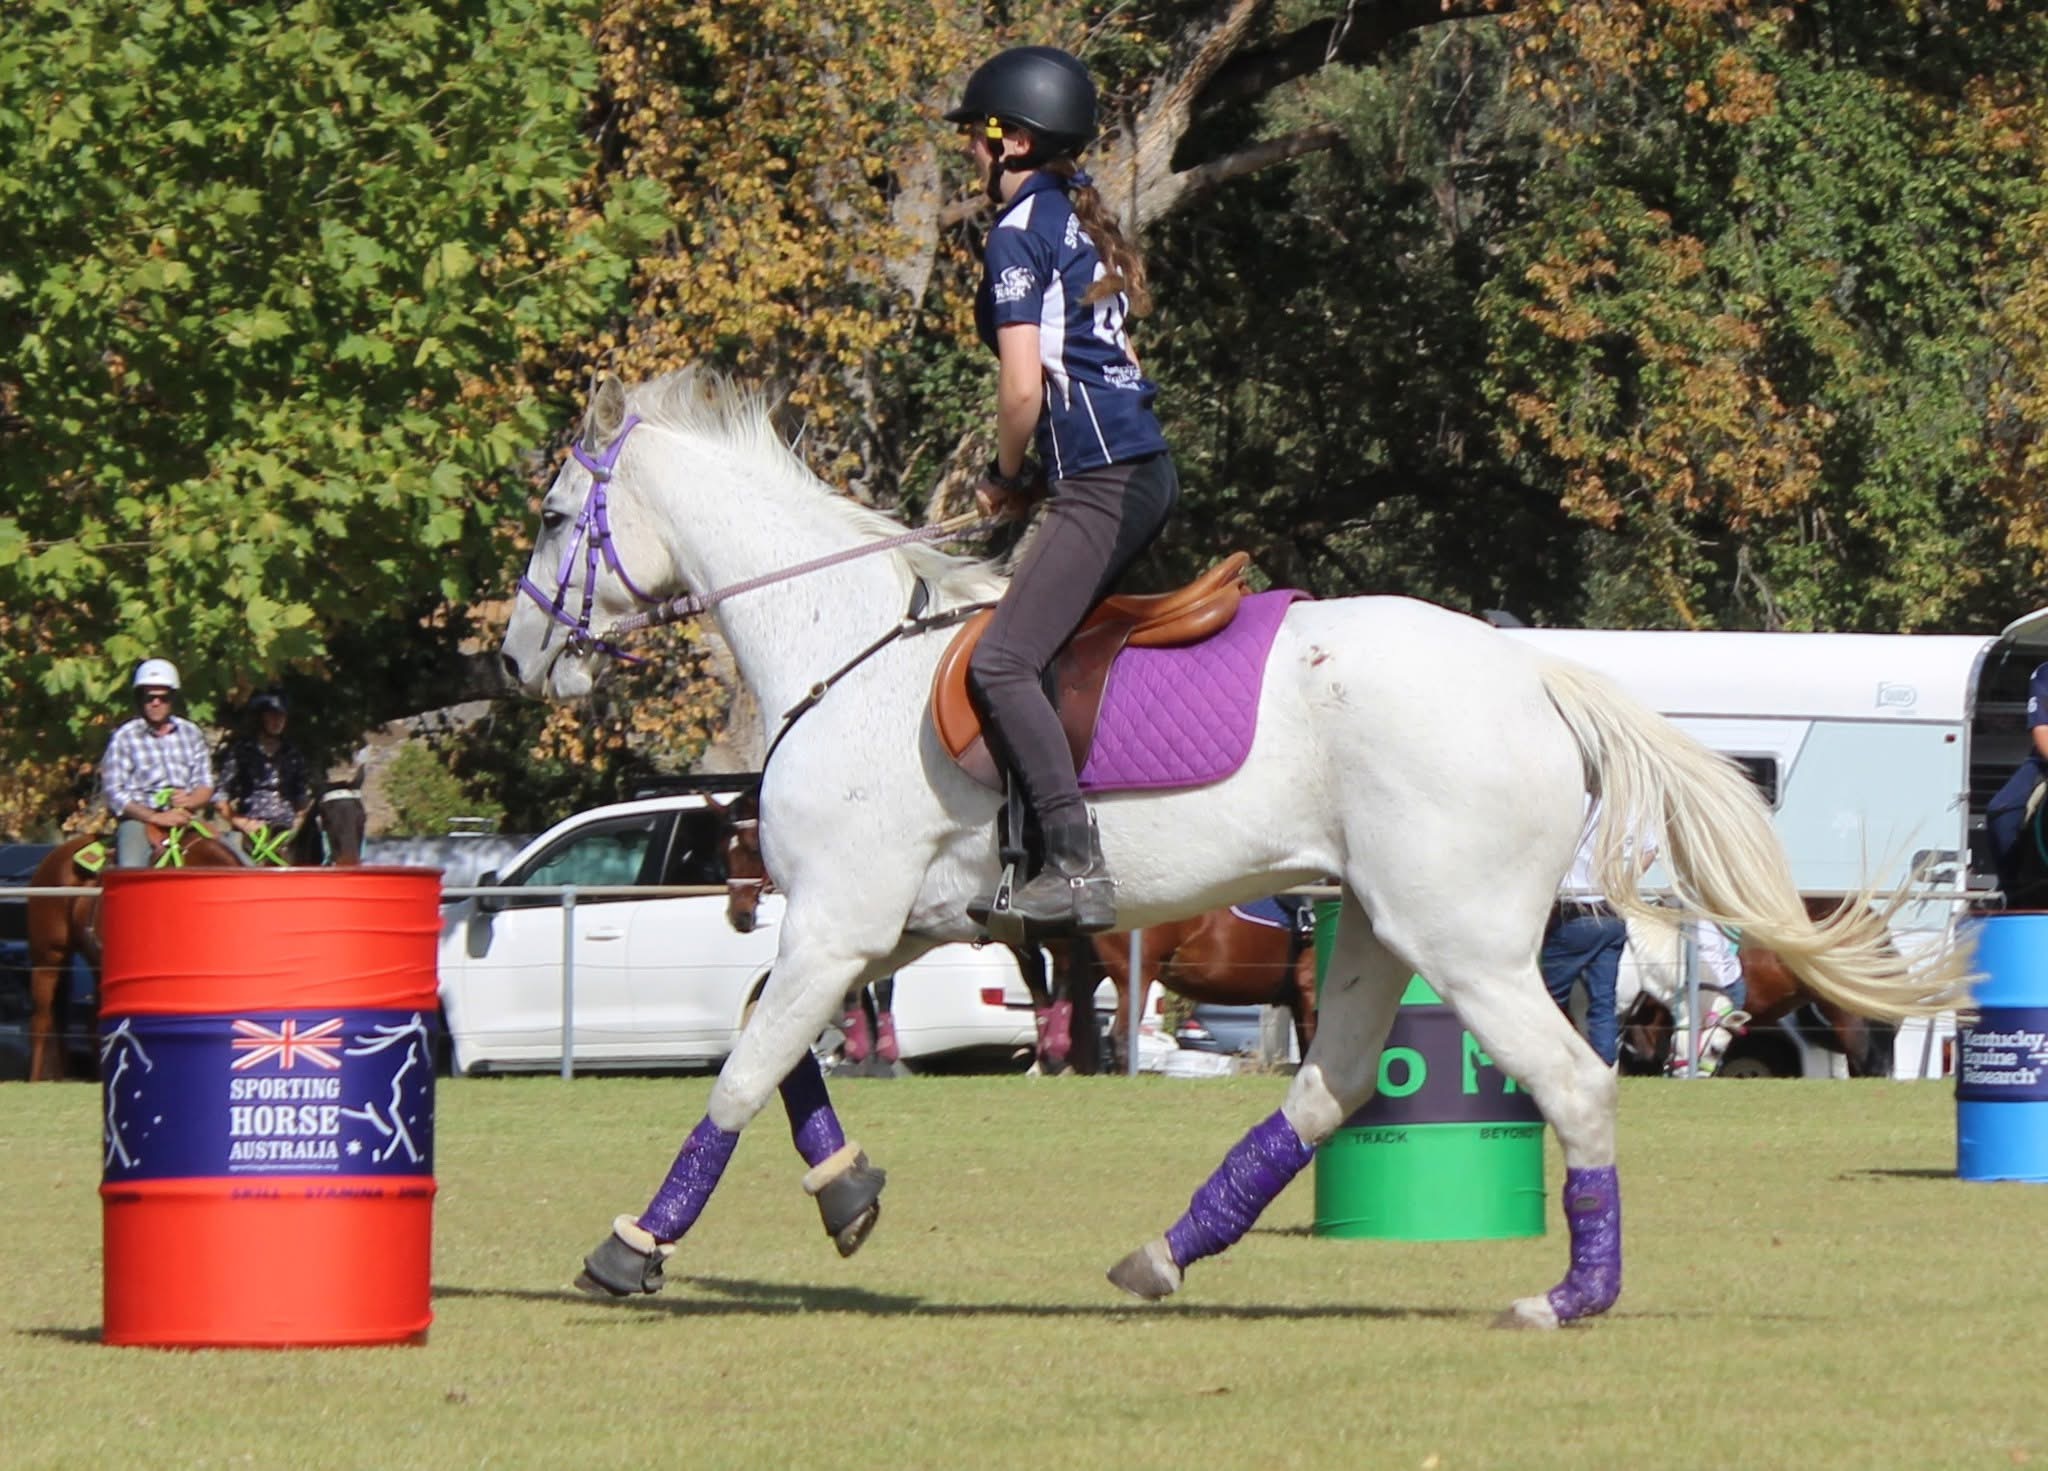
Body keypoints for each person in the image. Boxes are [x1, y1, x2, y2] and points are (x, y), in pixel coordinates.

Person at [948, 44, 1180, 935]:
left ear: (1015, 142)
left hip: (1105, 481)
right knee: (1029, 648)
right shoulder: (1074, 222)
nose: (971, 149)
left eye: (979, 134)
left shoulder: (1018, 233)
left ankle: (1076, 867)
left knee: (1001, 661)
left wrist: (1007, 478)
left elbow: (1021, 388)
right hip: (1131, 468)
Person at [1542, 798, 1658, 1067]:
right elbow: (1650, 850)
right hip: (1613, 913)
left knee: (1549, 999)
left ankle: (1552, 1065)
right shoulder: (1632, 803)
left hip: (1574, 913)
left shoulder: (1572, 799)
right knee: (1603, 1003)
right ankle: (1604, 1068)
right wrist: (1623, 882)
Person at [100, 658, 217, 869]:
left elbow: (205, 784)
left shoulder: (191, 732)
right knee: (131, 871)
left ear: (172, 699)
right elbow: (114, 792)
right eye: (149, 697)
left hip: (185, 818)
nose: (156, 703)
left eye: (163, 698)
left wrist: (189, 801)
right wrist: (155, 816)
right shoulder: (125, 736)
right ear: (139, 699)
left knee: (237, 861)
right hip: (140, 821)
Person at [217, 690, 312, 864]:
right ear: (261, 718)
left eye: (281, 716)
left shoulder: (293, 754)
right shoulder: (241, 752)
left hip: (288, 830)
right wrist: (241, 822)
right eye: (272, 715)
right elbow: (220, 797)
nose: (277, 721)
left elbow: (302, 796)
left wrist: (300, 819)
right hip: (251, 830)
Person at [1985, 660, 2048, 895]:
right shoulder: (2045, 673)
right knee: (2002, 810)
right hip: (2045, 762)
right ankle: (2011, 889)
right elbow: (2042, 729)